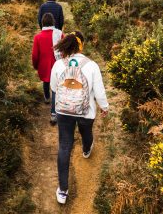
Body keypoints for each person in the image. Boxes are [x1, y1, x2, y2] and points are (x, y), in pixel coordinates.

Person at [50, 31, 109, 205]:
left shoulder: (59, 64)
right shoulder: (91, 65)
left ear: (66, 46)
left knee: (64, 146)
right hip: (86, 111)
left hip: (63, 111)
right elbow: (99, 91)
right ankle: (86, 149)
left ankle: (62, 190)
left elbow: (54, 87)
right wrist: (104, 107)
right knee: (86, 132)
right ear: (81, 46)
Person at [31, 13, 63, 125]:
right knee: (55, 88)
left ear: (42, 23)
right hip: (57, 64)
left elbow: (35, 55)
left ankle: (46, 98)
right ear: (53, 23)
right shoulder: (59, 34)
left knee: (46, 81)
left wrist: (35, 65)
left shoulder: (38, 37)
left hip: (44, 65)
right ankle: (54, 113)